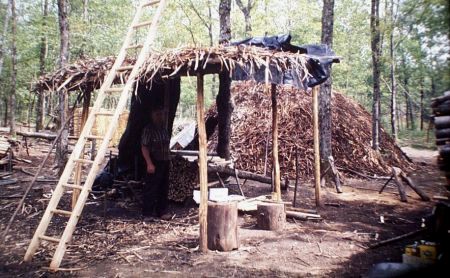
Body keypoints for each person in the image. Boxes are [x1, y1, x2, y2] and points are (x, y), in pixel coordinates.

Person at [141, 107, 171, 220]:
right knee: (151, 187)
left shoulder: (164, 129)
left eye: (161, 114)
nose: (160, 117)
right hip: (154, 161)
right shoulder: (149, 130)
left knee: (163, 187)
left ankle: (161, 212)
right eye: (157, 114)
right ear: (152, 116)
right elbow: (144, 147)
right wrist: (149, 163)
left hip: (164, 161)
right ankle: (147, 213)